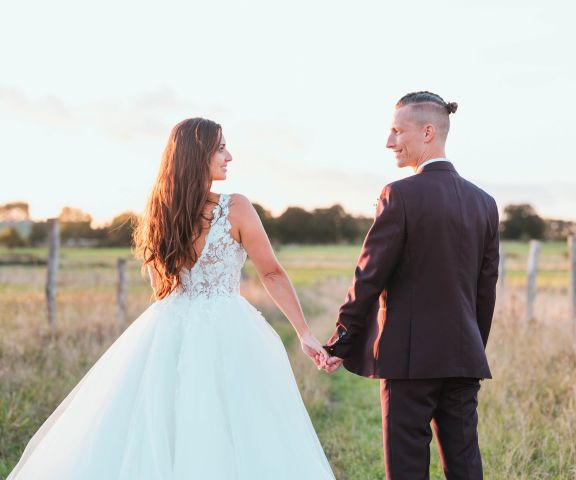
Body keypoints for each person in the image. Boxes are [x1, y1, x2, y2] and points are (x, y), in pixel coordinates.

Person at [8, 117, 335, 480]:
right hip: (228, 326)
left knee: (165, 424)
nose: (230, 156)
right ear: (199, 155)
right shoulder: (236, 207)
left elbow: (161, 286)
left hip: (169, 325)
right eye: (221, 148)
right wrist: (304, 332)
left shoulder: (157, 214)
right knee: (235, 425)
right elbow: (271, 272)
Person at [323, 91, 500, 480]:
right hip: (464, 358)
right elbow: (486, 290)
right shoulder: (485, 203)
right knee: (465, 464)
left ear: (428, 132)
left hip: (409, 361)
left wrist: (342, 341)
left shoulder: (398, 195)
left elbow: (369, 277)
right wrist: (471, 346)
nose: (389, 142)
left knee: (406, 469)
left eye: (396, 131)